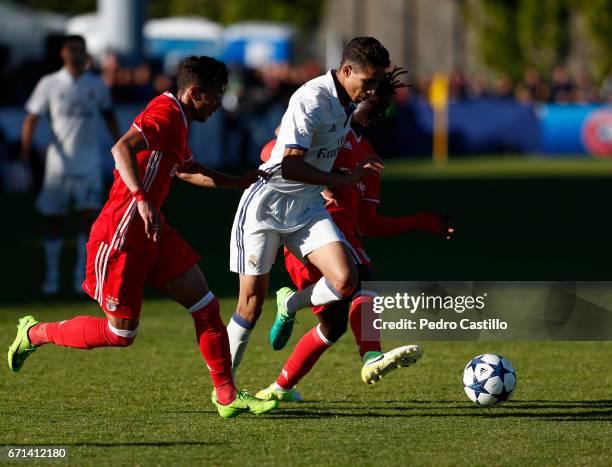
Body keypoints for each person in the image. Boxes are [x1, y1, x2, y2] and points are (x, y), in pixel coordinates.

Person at [8, 55, 279, 419]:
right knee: (122, 335)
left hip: (153, 232)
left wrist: (234, 181)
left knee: (207, 307)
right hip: (121, 234)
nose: (217, 104)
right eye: (214, 96)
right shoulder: (166, 114)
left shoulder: (178, 119)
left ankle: (226, 397)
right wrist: (141, 199)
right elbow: (120, 148)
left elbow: (185, 169)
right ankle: (35, 333)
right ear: (194, 92)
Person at [255, 68, 454, 401]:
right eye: (372, 92)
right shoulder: (328, 126)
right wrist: (318, 187)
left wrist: (421, 221)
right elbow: (269, 154)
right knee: (364, 279)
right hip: (307, 230)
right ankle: (371, 355)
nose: (373, 101)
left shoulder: (369, 159)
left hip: (345, 238)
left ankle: (278, 388)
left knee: (333, 326)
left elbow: (369, 224)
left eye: (381, 99)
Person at [224, 37, 388, 379]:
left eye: (377, 83)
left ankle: (290, 303)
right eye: (368, 81)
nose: (372, 91)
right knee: (249, 307)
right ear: (346, 70)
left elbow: (313, 154)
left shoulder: (346, 101)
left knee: (346, 279)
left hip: (307, 205)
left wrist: (332, 179)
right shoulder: (312, 98)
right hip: (267, 206)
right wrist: (345, 180)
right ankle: (225, 387)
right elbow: (289, 166)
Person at [20, 35, 121, 295]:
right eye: (71, 49)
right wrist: (25, 149)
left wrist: (122, 149)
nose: (76, 54)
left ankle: (80, 276)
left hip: (88, 167)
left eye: (80, 50)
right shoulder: (49, 84)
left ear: (85, 54)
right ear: (63, 53)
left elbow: (110, 117)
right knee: (53, 223)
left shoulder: (97, 85)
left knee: (88, 222)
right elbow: (32, 117)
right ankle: (52, 277)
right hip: (57, 169)